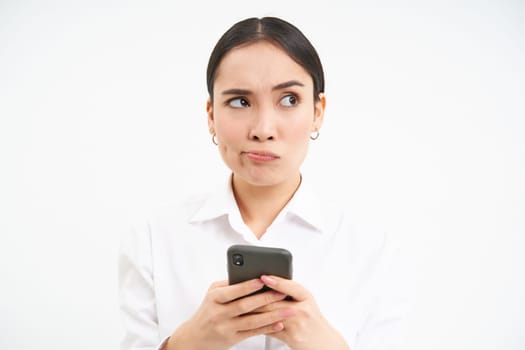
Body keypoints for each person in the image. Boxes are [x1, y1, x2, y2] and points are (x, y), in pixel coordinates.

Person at [119, 16, 410, 350]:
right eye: (240, 101)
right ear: (211, 115)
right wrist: (187, 344)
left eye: (289, 99)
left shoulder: (373, 253)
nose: (263, 128)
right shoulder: (153, 242)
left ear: (318, 111)